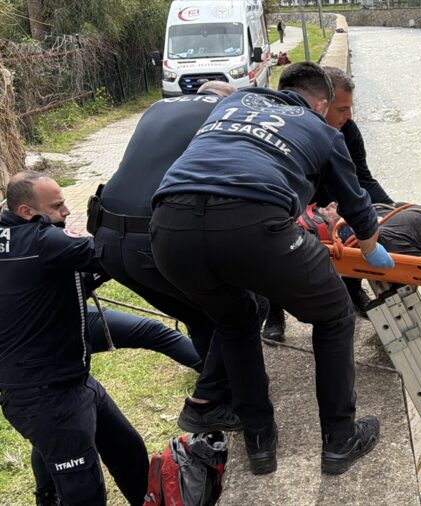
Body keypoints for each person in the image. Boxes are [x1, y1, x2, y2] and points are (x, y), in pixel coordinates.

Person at [150, 62, 395, 476]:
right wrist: (373, 251)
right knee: (335, 315)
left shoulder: (234, 104)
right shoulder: (322, 130)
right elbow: (359, 211)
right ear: (322, 103)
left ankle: (260, 441)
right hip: (251, 224)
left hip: (168, 230)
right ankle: (340, 440)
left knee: (237, 320)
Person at [91, 80, 242, 435]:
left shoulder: (158, 108)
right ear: (229, 100)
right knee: (246, 305)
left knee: (201, 313)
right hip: (152, 239)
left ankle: (223, 389)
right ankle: (205, 402)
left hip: (106, 241)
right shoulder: (224, 114)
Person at [0, 172, 148, 506]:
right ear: (27, 212)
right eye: (57, 206)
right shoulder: (43, 242)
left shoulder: (15, 239)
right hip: (46, 395)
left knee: (129, 452)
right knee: (85, 494)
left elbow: (53, 283)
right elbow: (108, 252)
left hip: (68, 381)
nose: (67, 211)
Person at [263, 66, 394, 341]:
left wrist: (391, 209)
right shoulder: (289, 131)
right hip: (289, 200)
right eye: (342, 109)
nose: (349, 116)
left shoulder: (348, 130)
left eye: (350, 109)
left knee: (356, 228)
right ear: (320, 105)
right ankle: (274, 313)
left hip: (332, 197)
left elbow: (362, 180)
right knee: (272, 244)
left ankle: (353, 289)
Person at [30, 304, 203, 505]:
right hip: (36, 378)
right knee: (83, 487)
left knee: (128, 450)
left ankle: (218, 378)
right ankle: (48, 496)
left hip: (72, 362)